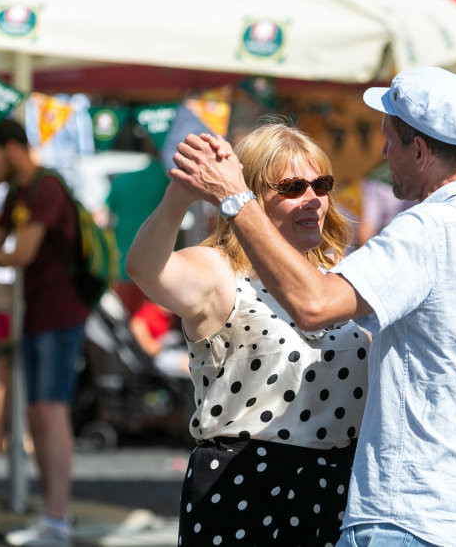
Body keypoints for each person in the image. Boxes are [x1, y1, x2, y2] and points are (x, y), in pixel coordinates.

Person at [172, 67, 456, 547]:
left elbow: (314, 304)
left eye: (389, 140)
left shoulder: (426, 230)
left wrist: (235, 198)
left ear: (420, 150)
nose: (383, 153)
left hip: (412, 512)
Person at [126, 119, 369, 546]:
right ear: (250, 197)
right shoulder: (221, 270)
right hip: (244, 486)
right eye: (293, 188)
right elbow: (145, 269)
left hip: (337, 487)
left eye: (322, 184)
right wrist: (178, 196)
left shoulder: (339, 273)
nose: (312, 199)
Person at [0, 119, 92, 547]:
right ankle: (52, 517)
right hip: (36, 314)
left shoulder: (46, 186)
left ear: (10, 148)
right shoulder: (18, 193)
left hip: (61, 313)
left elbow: (19, 252)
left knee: (50, 413)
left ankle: (58, 520)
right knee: (39, 415)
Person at [105, 142, 169, 315]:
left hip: (124, 266)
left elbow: (103, 218)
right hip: (161, 270)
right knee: (153, 334)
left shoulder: (121, 181)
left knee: (124, 329)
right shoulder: (170, 180)